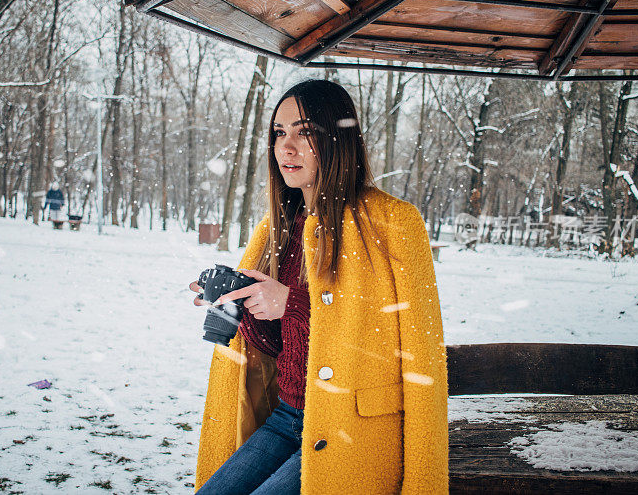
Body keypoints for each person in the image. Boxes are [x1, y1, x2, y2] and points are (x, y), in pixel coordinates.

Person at [188, 79, 448, 494]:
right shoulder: (278, 230)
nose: (286, 147)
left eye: (304, 132)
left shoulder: (393, 224)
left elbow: (420, 357)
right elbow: (281, 348)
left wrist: (290, 303)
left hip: (353, 428)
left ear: (338, 140)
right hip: (288, 416)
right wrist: (244, 304)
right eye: (279, 133)